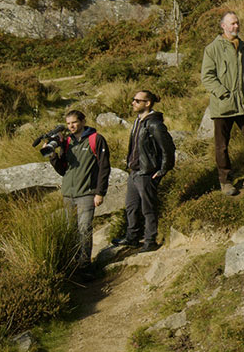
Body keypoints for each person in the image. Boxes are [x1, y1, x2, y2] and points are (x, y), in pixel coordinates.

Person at [201, 11, 244, 195]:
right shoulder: (212, 49)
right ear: (223, 26)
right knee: (222, 146)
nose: (236, 26)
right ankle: (225, 182)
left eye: (237, 23)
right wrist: (223, 93)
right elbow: (207, 76)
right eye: (232, 24)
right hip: (223, 105)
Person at [112, 90, 176, 253]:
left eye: (137, 101)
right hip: (134, 171)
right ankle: (132, 238)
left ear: (147, 103)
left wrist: (163, 170)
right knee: (131, 206)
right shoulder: (137, 121)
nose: (133, 103)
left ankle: (150, 240)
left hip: (146, 172)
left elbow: (168, 147)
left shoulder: (154, 124)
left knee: (148, 208)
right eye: (133, 100)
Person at [49, 110, 110, 274]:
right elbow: (63, 170)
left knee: (84, 229)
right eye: (68, 124)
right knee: (71, 229)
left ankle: (85, 266)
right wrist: (52, 156)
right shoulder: (67, 142)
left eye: (74, 122)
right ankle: (74, 263)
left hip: (87, 193)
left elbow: (104, 168)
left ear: (83, 121)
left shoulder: (96, 139)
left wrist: (100, 192)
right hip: (68, 194)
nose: (71, 126)